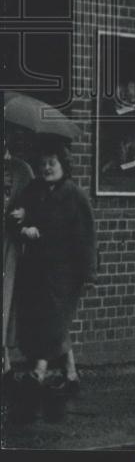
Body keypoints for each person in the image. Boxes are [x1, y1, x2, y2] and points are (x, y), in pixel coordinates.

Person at [9, 138, 96, 396]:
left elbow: (86, 238)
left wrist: (89, 274)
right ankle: (70, 374)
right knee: (53, 322)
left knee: (53, 320)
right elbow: (13, 214)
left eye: (52, 163)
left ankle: (39, 371)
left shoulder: (74, 195)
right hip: (37, 270)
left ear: (63, 165)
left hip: (65, 273)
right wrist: (22, 222)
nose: (47, 168)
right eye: (43, 163)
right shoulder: (34, 190)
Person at [3, 143, 34, 375]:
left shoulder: (22, 171)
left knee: (6, 299)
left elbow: (38, 203)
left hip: (9, 245)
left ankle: (5, 356)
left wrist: (25, 213)